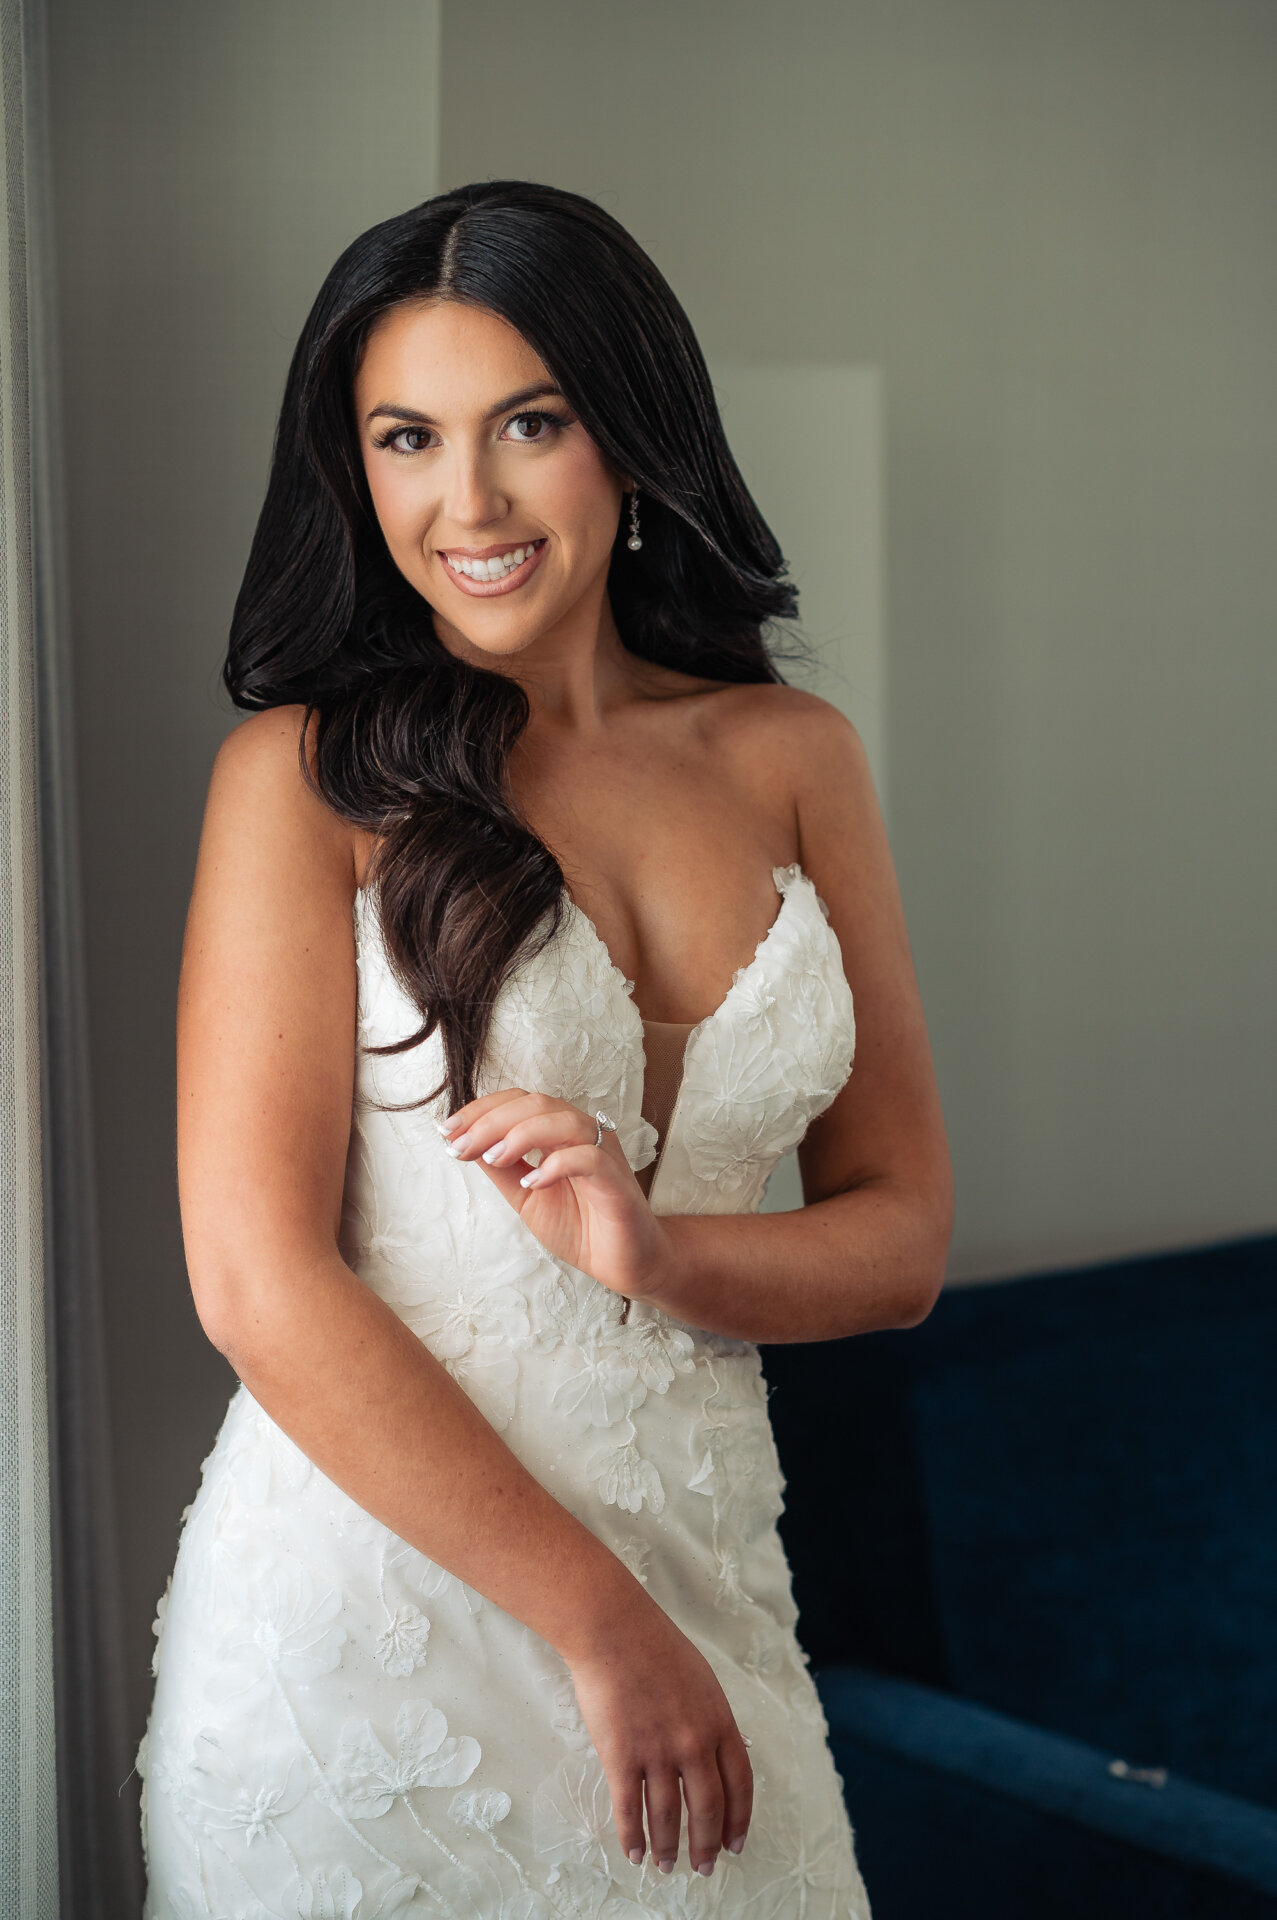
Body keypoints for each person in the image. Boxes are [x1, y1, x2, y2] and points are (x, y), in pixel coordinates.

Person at [137, 179, 953, 1919]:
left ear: (634, 438)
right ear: (355, 473)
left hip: (711, 1588)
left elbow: (897, 1238)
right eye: (407, 438)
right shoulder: (300, 780)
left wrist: (662, 1254)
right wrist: (602, 1627)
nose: (469, 501)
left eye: (531, 424)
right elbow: (251, 1275)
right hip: (372, 1637)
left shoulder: (792, 752)